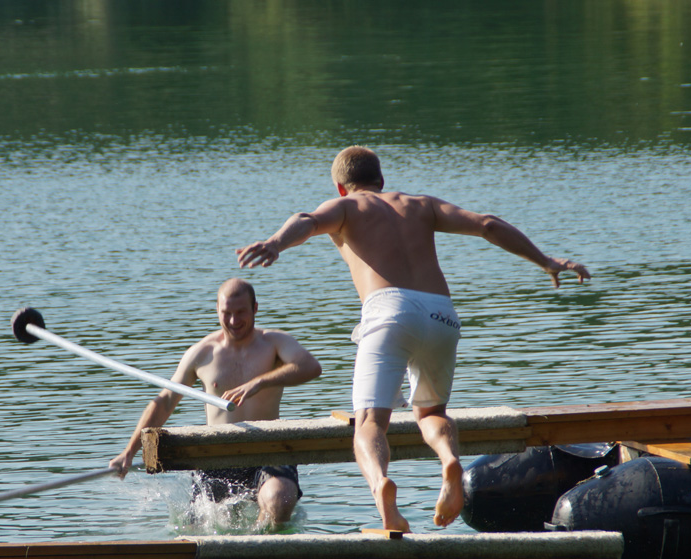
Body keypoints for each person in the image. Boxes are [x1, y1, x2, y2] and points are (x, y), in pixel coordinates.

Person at [236, 146, 590, 532]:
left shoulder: (346, 207)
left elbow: (306, 220)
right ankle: (449, 461)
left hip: (389, 309)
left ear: (340, 187)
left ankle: (383, 493)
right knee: (432, 413)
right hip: (441, 313)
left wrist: (275, 242)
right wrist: (546, 261)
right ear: (381, 179)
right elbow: (488, 224)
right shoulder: (421, 204)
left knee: (369, 423)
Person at [110, 278, 322, 529]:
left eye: (241, 312)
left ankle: (262, 543)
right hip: (219, 453)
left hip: (268, 448)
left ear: (255, 308)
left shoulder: (275, 343)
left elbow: (310, 367)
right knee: (196, 525)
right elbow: (165, 402)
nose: (233, 321)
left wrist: (259, 382)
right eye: (226, 313)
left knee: (280, 498)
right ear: (217, 310)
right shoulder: (202, 352)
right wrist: (129, 451)